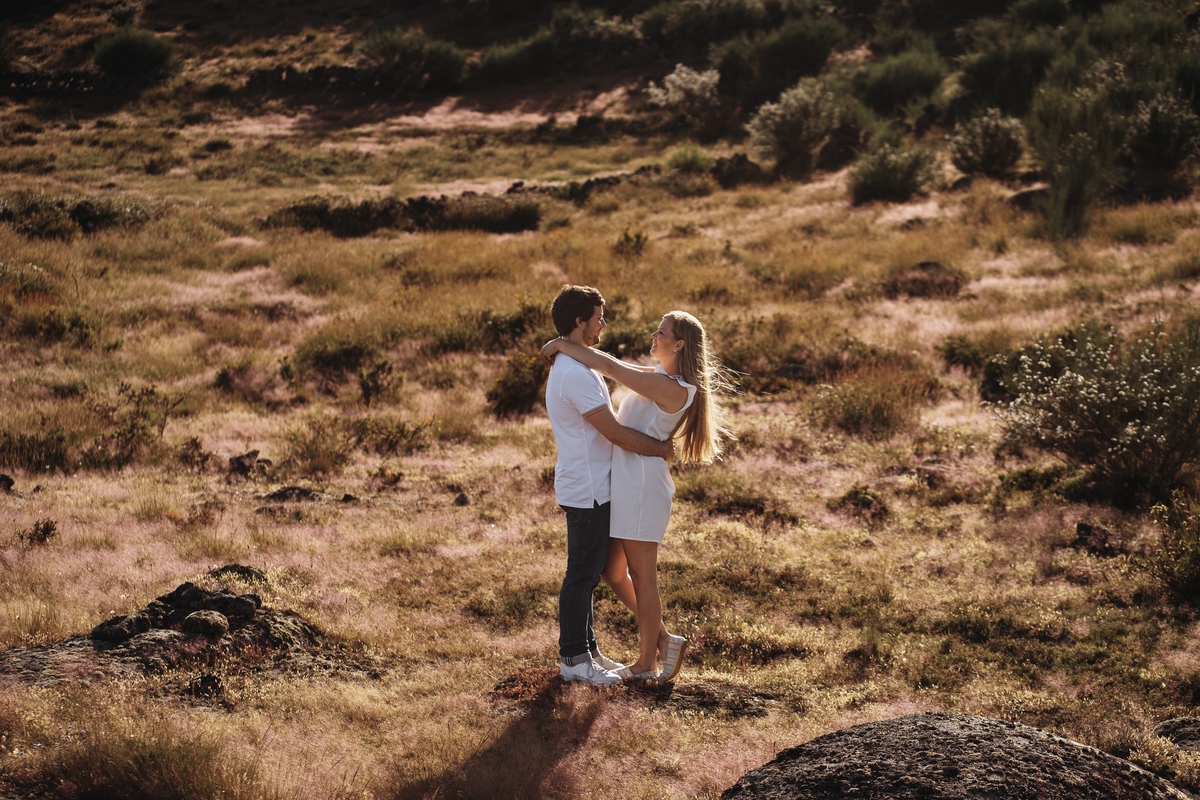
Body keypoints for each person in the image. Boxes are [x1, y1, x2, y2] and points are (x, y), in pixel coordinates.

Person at [542, 309, 728, 681]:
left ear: (679, 344)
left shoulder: (673, 389)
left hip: (643, 486)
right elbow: (612, 363)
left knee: (643, 577)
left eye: (662, 333)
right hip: (625, 483)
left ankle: (646, 663)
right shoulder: (658, 376)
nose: (654, 337)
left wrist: (562, 344)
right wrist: (566, 347)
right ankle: (663, 639)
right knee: (612, 571)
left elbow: (610, 368)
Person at [545, 285, 675, 686]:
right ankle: (574, 661)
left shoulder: (576, 366)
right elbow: (615, 433)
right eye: (598, 317)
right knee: (581, 575)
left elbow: (611, 368)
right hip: (587, 488)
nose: (604, 323)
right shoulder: (573, 374)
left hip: (597, 485)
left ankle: (589, 650)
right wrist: (660, 449)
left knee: (591, 572)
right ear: (579, 322)